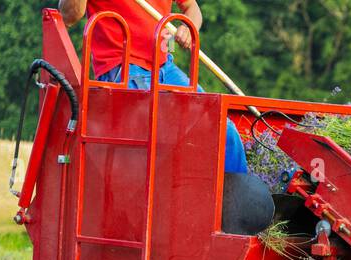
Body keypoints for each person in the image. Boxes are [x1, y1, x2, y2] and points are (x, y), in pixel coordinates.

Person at [58, 0, 249, 173]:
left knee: (222, 129)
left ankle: (237, 204)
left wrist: (188, 27)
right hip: (123, 67)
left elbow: (192, 7)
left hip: (165, 66)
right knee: (157, 132)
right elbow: (69, 15)